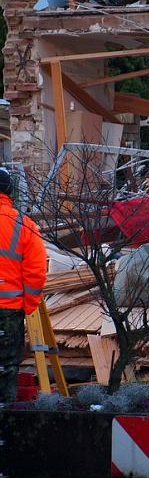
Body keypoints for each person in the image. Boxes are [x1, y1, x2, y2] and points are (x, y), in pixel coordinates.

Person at [0, 168, 47, 404]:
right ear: (9, 190)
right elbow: (36, 271)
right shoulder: (23, 225)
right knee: (5, 369)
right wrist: (28, 305)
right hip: (8, 310)